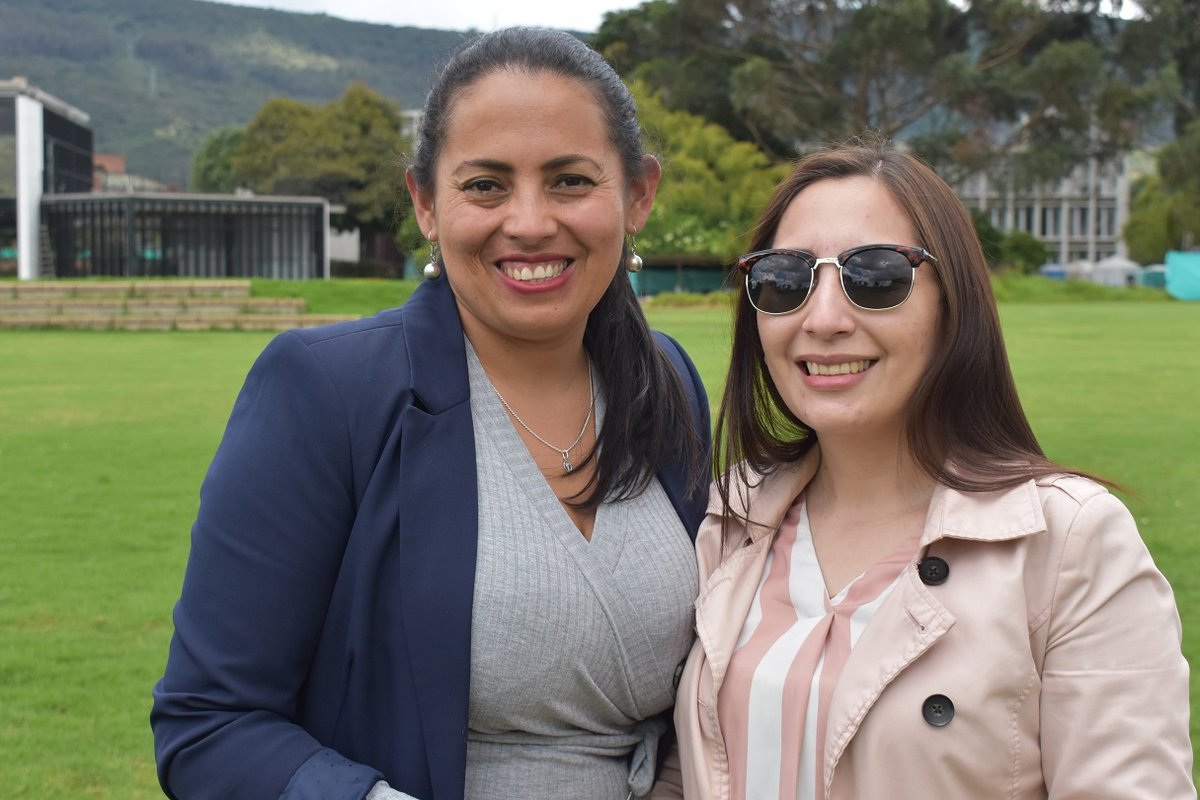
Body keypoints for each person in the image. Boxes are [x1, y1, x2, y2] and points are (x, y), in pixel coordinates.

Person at [152, 27, 711, 800]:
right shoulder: (325, 391)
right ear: (424, 202)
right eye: (485, 185)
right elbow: (208, 723)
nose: (529, 222)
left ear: (638, 193)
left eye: (570, 181)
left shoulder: (669, 382)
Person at [657, 138, 1194, 799]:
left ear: (952, 305)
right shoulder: (726, 518)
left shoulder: (1070, 543)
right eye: (784, 279)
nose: (822, 319)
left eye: (876, 277)